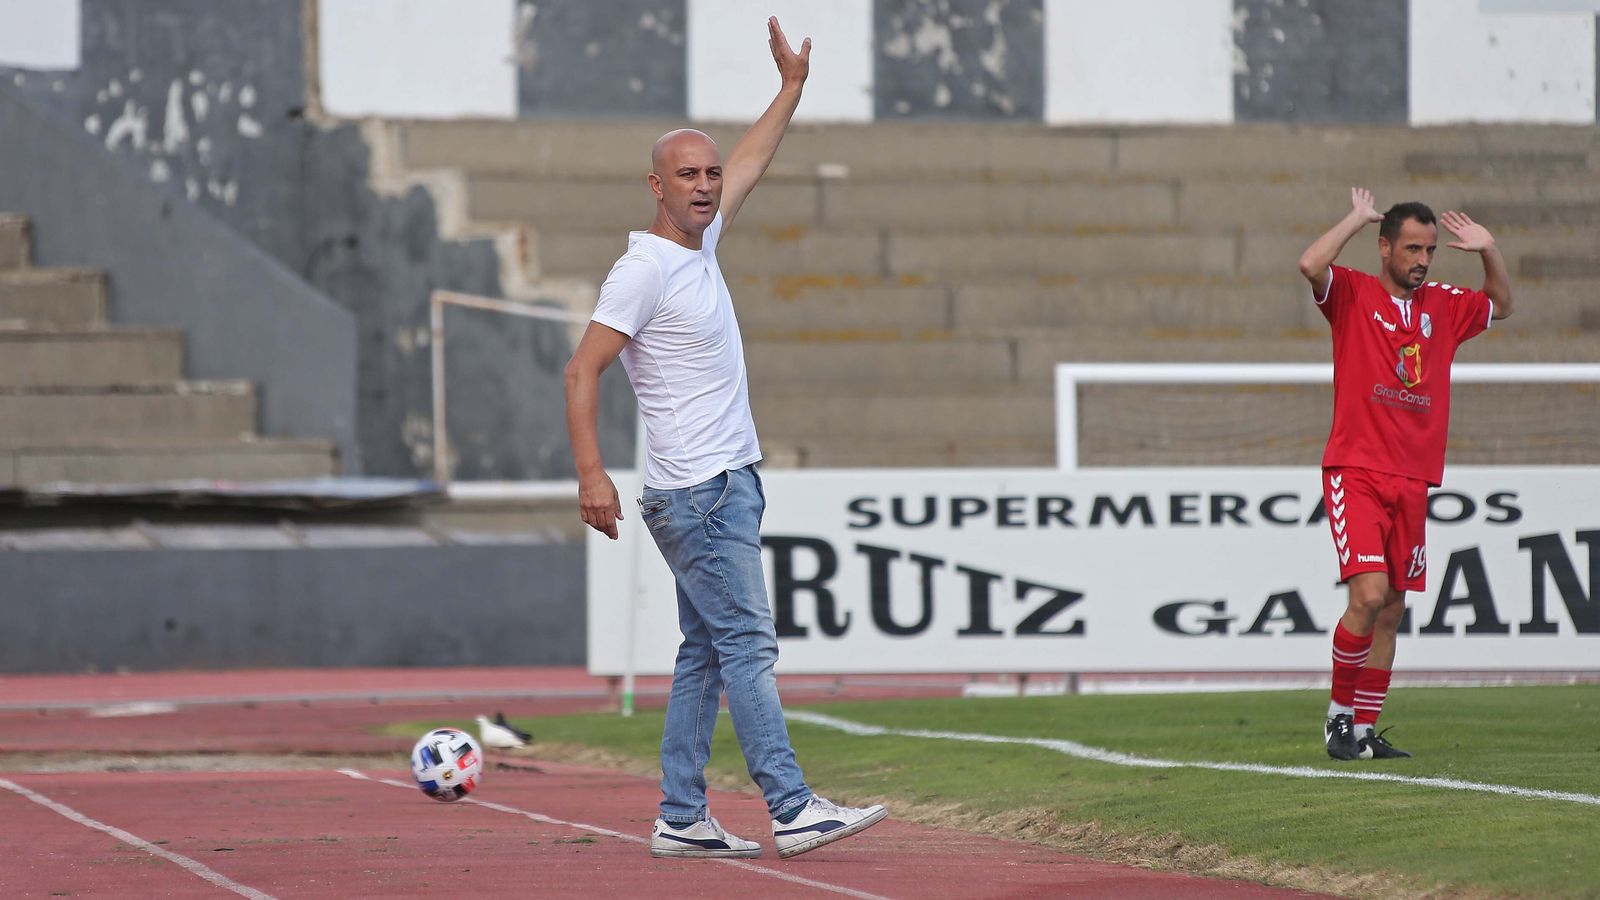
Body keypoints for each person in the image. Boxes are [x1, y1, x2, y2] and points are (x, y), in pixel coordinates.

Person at [563, 17, 887, 859]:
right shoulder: (643, 269)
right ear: (656, 186)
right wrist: (591, 475)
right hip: (699, 493)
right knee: (747, 644)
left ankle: (681, 814)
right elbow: (581, 370)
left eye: (709, 173)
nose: (706, 185)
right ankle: (792, 806)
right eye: (688, 174)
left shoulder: (700, 242)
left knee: (705, 654)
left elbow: (751, 160)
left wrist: (791, 88)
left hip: (720, 485)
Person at [1297, 188, 1513, 761]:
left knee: (1392, 606)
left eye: (1430, 250)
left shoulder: (1443, 304)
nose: (1422, 260)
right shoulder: (1352, 293)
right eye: (1412, 248)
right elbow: (1310, 264)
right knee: (1368, 595)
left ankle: (1365, 731)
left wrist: (1488, 249)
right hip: (1357, 470)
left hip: (1414, 478)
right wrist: (1355, 217)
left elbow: (1502, 304)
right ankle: (1339, 719)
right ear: (1385, 247)